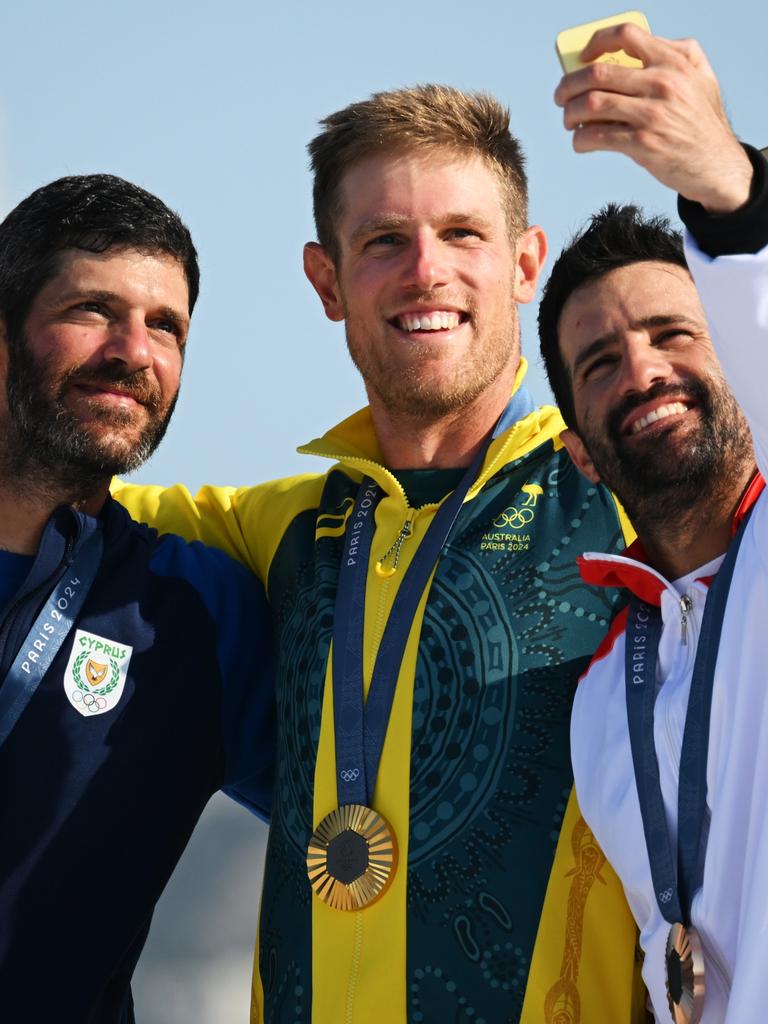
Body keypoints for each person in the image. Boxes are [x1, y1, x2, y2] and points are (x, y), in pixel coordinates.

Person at [114, 87, 648, 1023]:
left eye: (462, 235)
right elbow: (51, 482)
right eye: (384, 243)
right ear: (327, 283)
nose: (425, 273)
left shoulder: (628, 498)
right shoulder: (275, 528)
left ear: (526, 264)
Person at [0, 174, 275, 1023]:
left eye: (167, 326)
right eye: (92, 309)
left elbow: (386, 811)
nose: (136, 351)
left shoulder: (197, 611)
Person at [539, 22, 768, 1023]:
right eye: (600, 364)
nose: (643, 371)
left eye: (678, 333)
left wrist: (724, 184)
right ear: (581, 449)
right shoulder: (602, 698)